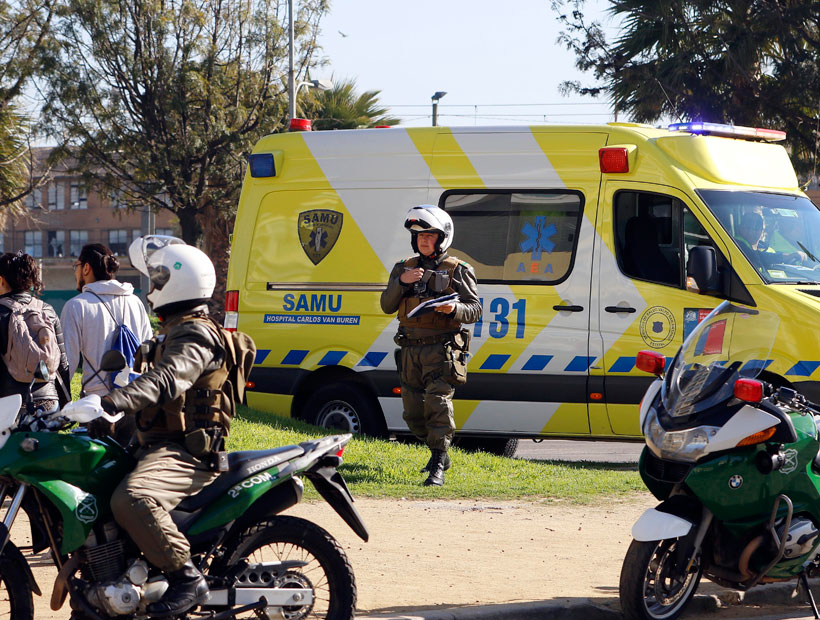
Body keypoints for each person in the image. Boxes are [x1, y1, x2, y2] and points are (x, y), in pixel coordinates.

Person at [97, 236, 230, 617]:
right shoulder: (175, 328)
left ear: (175, 282)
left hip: (185, 451)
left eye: (155, 280)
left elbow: (170, 378)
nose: (150, 288)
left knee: (131, 498)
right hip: (155, 444)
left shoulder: (195, 333)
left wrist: (112, 400)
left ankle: (187, 578)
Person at [380, 205, 481, 487]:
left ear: (442, 237)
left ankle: (438, 462)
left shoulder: (458, 270)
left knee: (437, 405)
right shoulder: (404, 267)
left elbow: (475, 309)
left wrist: (454, 309)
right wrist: (401, 282)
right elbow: (387, 305)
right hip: (410, 350)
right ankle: (440, 450)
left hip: (442, 350)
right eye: (419, 236)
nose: (423, 240)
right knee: (413, 414)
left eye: (430, 235)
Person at [61, 244, 153, 442]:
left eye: (76, 266)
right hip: (134, 403)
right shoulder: (136, 302)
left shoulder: (76, 306)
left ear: (86, 268)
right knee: (131, 467)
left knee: (97, 469)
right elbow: (148, 354)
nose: (76, 272)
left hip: (96, 408)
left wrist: (62, 407)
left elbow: (66, 364)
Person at [0, 251, 71, 411]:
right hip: (49, 403)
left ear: (1, 280)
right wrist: (67, 406)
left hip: (10, 407)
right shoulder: (47, 311)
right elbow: (63, 364)